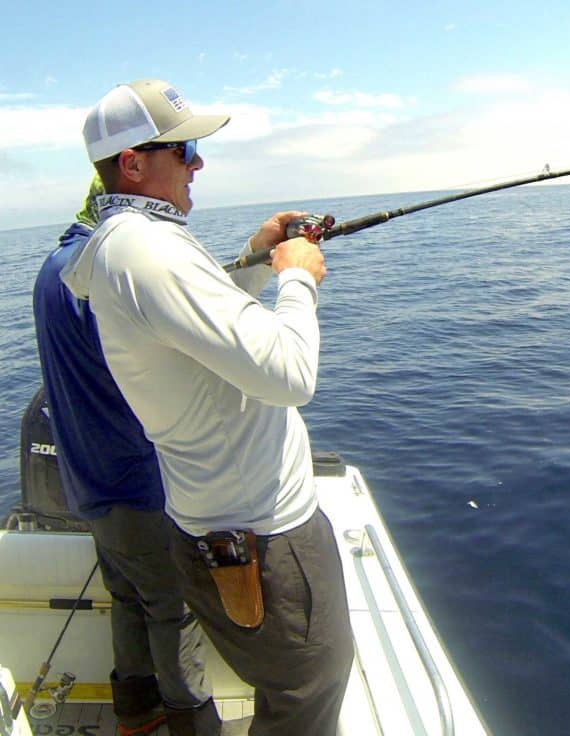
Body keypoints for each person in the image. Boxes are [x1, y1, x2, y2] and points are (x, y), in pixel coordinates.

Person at [61, 79, 353, 736]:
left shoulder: (119, 245)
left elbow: (193, 324)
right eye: (184, 149)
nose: (199, 163)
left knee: (295, 692)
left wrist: (255, 254)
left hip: (211, 525)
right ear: (133, 164)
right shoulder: (151, 250)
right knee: (308, 697)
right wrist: (298, 275)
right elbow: (289, 372)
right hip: (265, 540)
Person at [33, 175, 221, 735]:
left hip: (87, 481)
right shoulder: (105, 275)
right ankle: (192, 725)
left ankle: (136, 714)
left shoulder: (55, 268)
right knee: (172, 608)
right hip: (135, 482)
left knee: (127, 597)